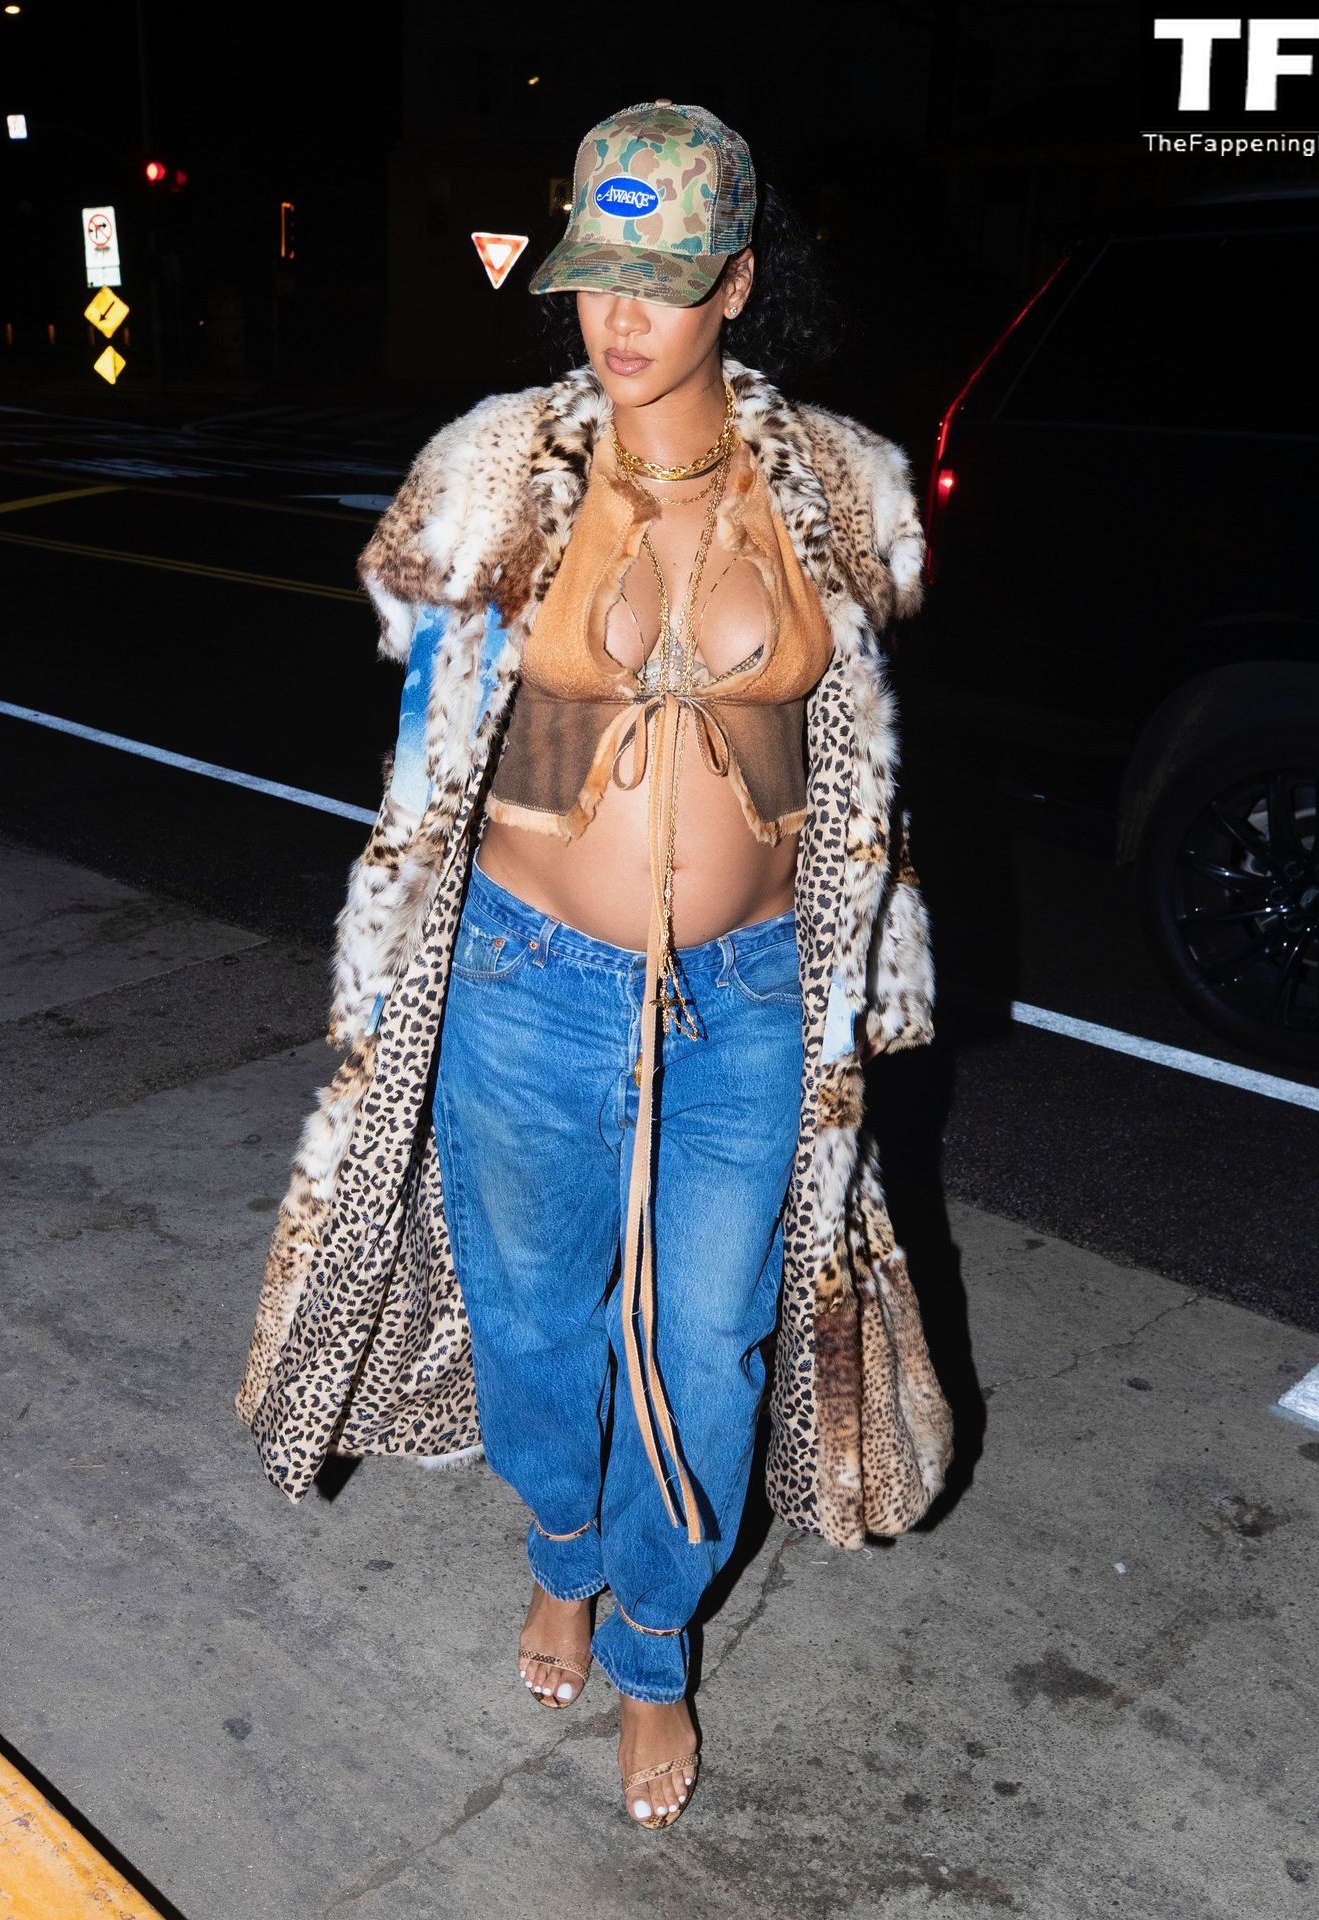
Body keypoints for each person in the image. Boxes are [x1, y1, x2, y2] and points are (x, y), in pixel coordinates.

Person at [233, 97, 951, 1839]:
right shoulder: (491, 471)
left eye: (662, 278)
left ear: (736, 284)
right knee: (539, 1320)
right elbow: (429, 751)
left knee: (706, 1347)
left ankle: (651, 1643)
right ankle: (562, 1549)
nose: (618, 316)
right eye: (593, 277)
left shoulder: (838, 488)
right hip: (525, 980)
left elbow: (861, 764)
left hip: (750, 1001)